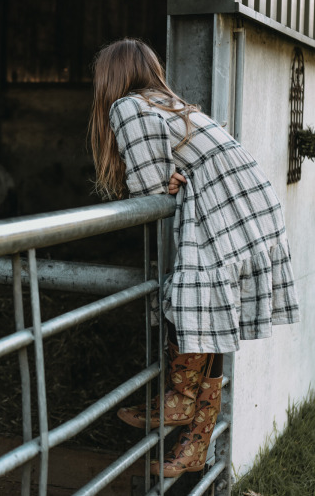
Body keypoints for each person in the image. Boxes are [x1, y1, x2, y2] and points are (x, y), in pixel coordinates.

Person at [89, 38, 300, 477]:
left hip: (224, 208)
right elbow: (164, 178)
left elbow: (150, 187)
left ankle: (180, 401)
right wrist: (168, 179)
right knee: (209, 314)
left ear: (111, 76)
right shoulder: (172, 105)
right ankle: (195, 442)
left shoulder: (127, 107)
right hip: (248, 204)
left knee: (190, 302)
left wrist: (158, 182)